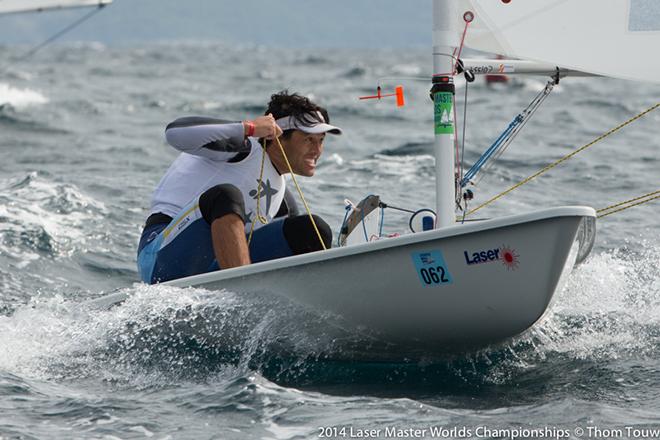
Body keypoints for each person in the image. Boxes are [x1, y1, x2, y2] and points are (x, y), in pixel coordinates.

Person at [137, 91, 342, 284]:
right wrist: (249, 128)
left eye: (321, 141)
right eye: (308, 139)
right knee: (226, 195)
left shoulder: (282, 196)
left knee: (311, 231)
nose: (317, 150)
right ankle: (243, 292)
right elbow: (174, 132)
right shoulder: (241, 148)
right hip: (160, 259)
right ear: (278, 135)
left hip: (214, 269)